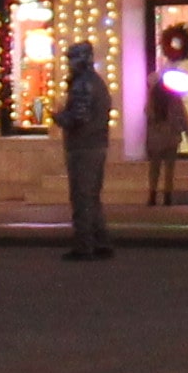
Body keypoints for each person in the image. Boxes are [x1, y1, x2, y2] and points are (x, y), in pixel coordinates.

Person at [57, 47, 117, 260]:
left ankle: (84, 245)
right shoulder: (98, 82)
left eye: (71, 59)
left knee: (82, 196)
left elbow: (78, 117)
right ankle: (102, 241)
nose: (69, 64)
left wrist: (59, 117)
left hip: (83, 147)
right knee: (92, 196)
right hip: (98, 144)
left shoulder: (82, 84)